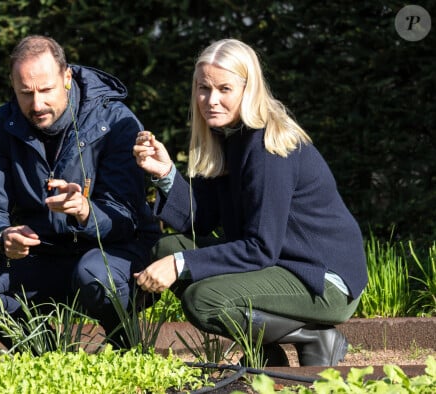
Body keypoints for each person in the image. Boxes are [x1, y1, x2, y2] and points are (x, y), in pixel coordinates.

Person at [132, 38, 368, 367]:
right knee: (167, 249)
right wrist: (167, 174)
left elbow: (259, 247)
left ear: (249, 88)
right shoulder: (227, 137)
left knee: (205, 300)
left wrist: (180, 266)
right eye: (203, 88)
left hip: (320, 278)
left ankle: (315, 337)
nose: (211, 100)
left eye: (224, 89)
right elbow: (202, 221)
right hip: (280, 262)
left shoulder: (266, 147)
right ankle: (267, 353)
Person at [0, 35, 159, 351]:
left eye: (46, 90)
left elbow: (126, 217)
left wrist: (85, 211)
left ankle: (129, 353)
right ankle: (44, 355)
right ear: (12, 86)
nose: (37, 104)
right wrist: (2, 237)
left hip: (113, 254)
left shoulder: (115, 121)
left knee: (94, 274)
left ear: (67, 78)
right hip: (42, 255)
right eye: (25, 93)